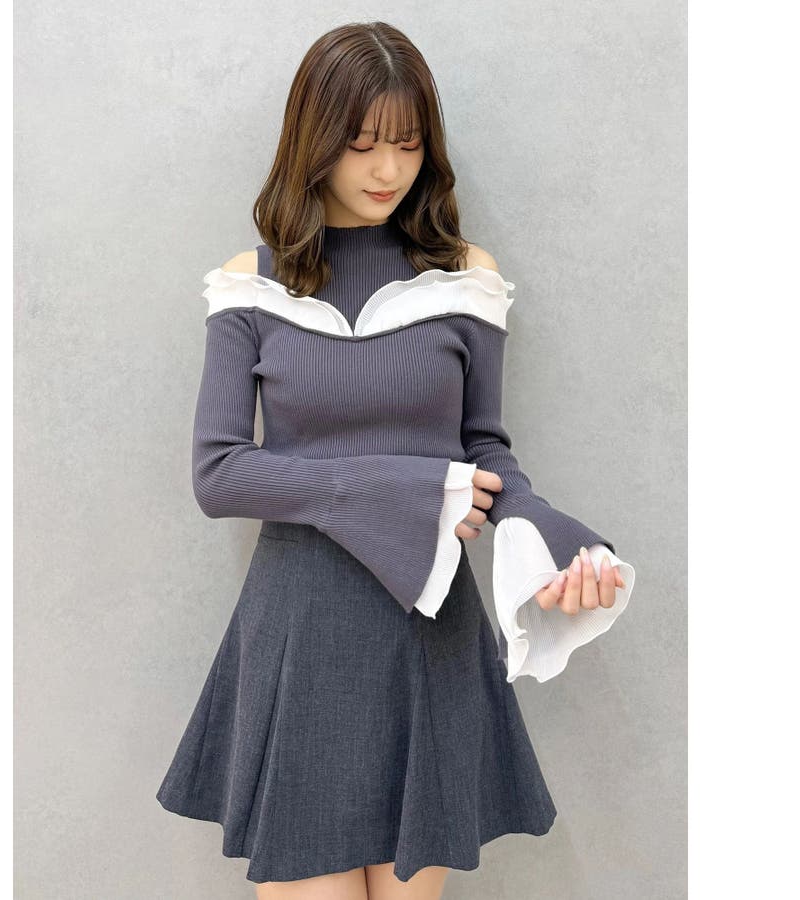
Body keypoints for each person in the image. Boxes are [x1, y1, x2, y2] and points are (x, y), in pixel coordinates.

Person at [157, 21, 635, 900]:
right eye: (362, 144)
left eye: (409, 145)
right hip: (301, 632)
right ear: (314, 141)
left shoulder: (462, 276)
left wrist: (552, 540)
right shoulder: (253, 283)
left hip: (427, 636)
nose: (387, 170)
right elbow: (219, 474)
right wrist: (394, 487)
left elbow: (484, 450)